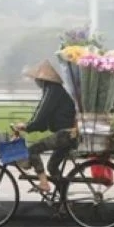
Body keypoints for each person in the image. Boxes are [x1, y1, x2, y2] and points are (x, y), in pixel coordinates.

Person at [13, 59, 77, 193]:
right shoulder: (52, 90)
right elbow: (41, 115)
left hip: (65, 134)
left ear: (42, 79)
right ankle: (63, 200)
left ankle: (44, 184)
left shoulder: (52, 91)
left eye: (36, 79)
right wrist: (28, 125)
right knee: (52, 167)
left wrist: (28, 126)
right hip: (67, 134)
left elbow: (42, 115)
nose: (35, 82)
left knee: (32, 150)